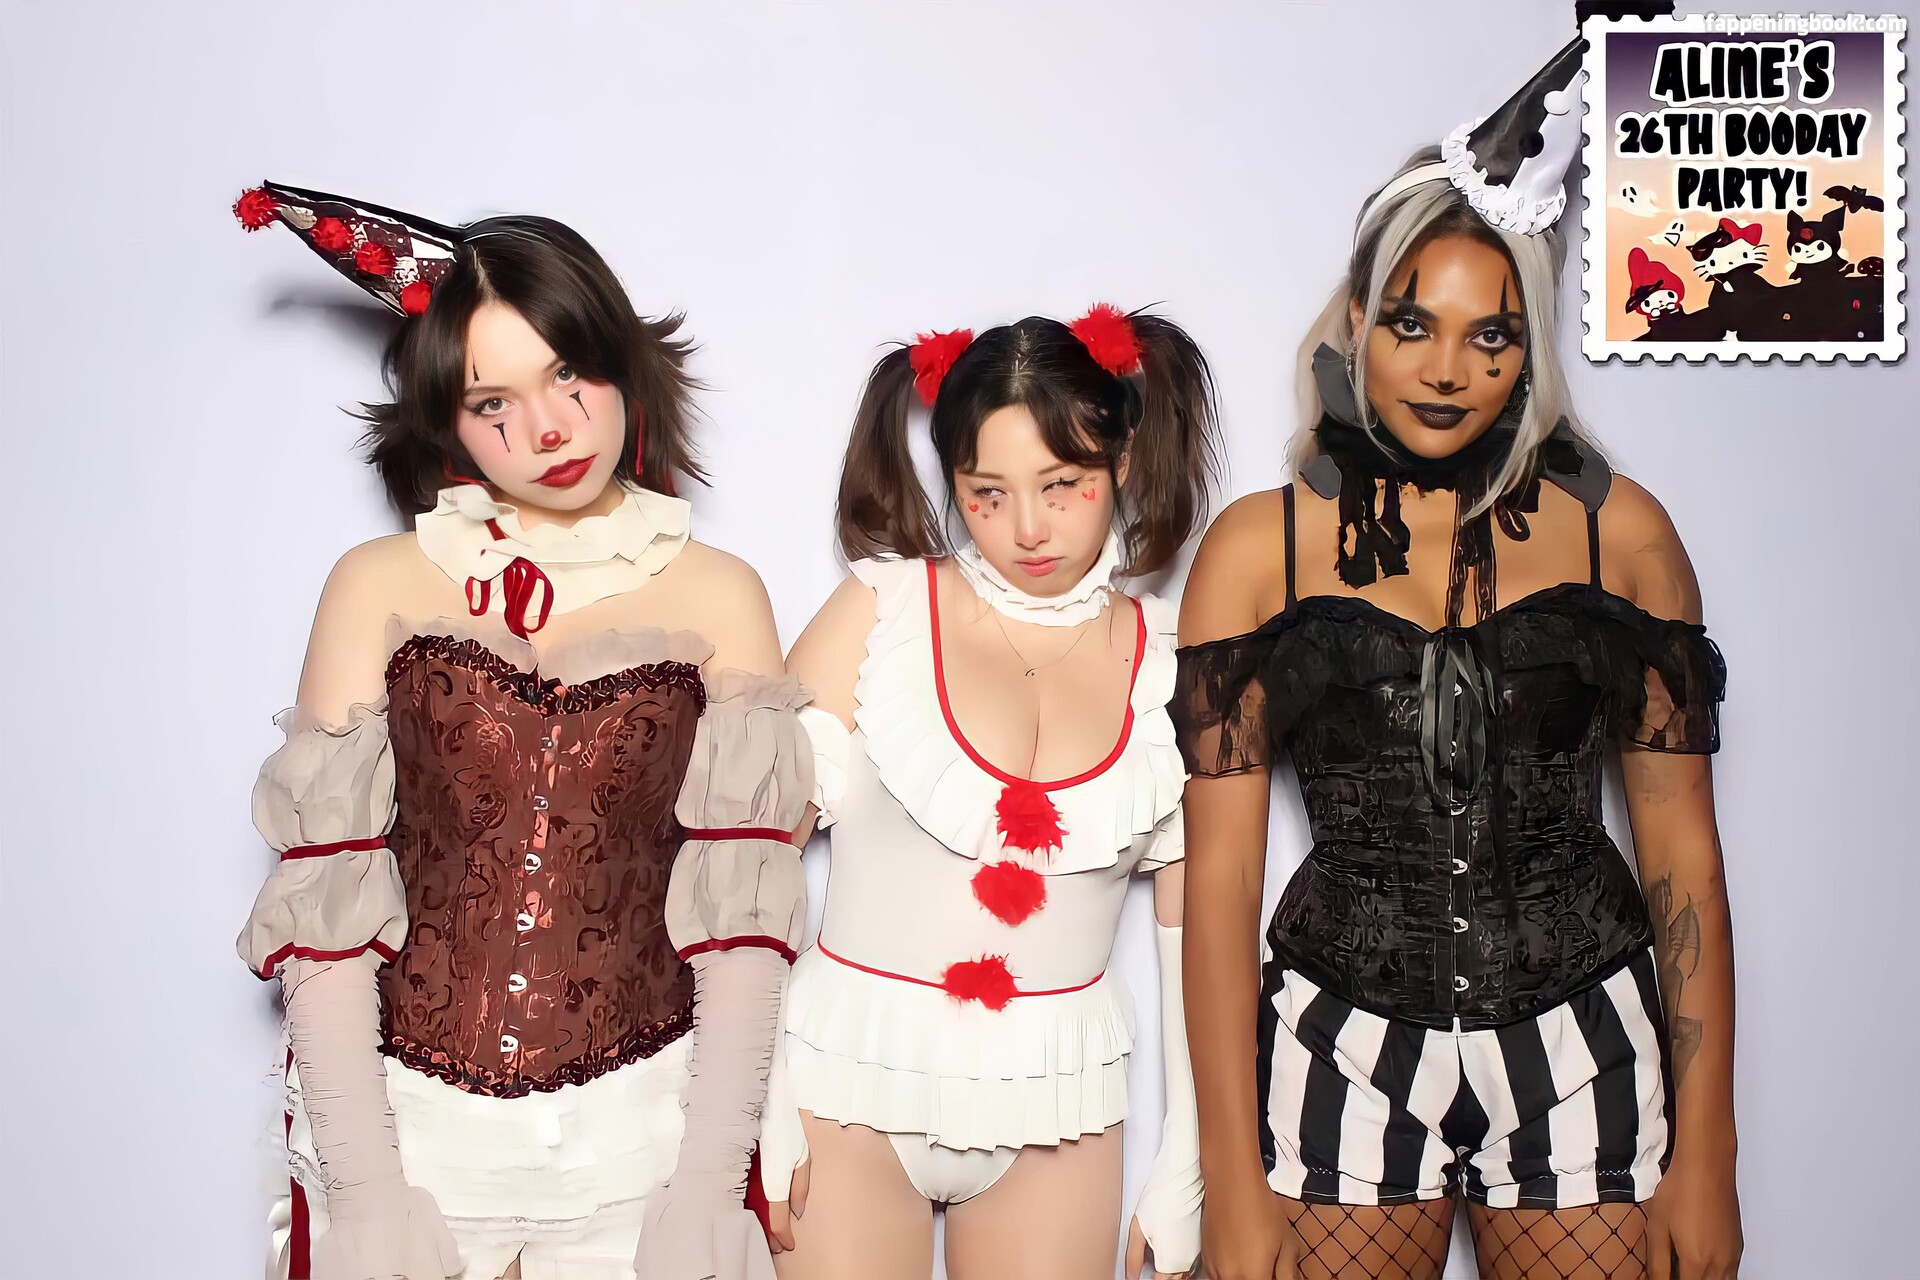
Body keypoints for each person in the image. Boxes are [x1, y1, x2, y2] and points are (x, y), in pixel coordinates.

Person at [1174, 41, 1743, 1280]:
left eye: (1491, 335)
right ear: (1357, 321)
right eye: (1411, 323)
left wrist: (1710, 1151)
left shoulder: (1624, 534)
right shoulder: (1259, 551)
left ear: (1529, 347)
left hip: (1586, 1038)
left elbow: (1683, 857)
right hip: (1342, 1045)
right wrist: (1229, 1175)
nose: (1446, 369)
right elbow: (1218, 888)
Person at [231, 182, 811, 1280]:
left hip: (642, 1132)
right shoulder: (376, 582)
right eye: (492, 402)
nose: (547, 429)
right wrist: (362, 1190)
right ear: (446, 422)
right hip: (407, 1127)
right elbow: (325, 908)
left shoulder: (720, 592)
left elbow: (745, 920)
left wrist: (710, 1178)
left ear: (620, 363)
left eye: (569, 374)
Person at [763, 307, 1219, 1280]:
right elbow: (750, 864)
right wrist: (755, 1097)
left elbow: (1195, 933)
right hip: (845, 1082)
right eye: (987, 494)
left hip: (1059, 1099)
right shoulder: (878, 610)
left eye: (1064, 485)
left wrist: (1189, 1154)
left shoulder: (1173, 660)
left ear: (1121, 461)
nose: (1030, 528)